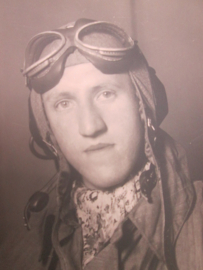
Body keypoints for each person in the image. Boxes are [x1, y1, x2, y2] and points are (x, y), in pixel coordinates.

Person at [18, 18, 202, 269]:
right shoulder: (17, 250)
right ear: (46, 130)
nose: (90, 127)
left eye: (106, 94)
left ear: (145, 106)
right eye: (64, 104)